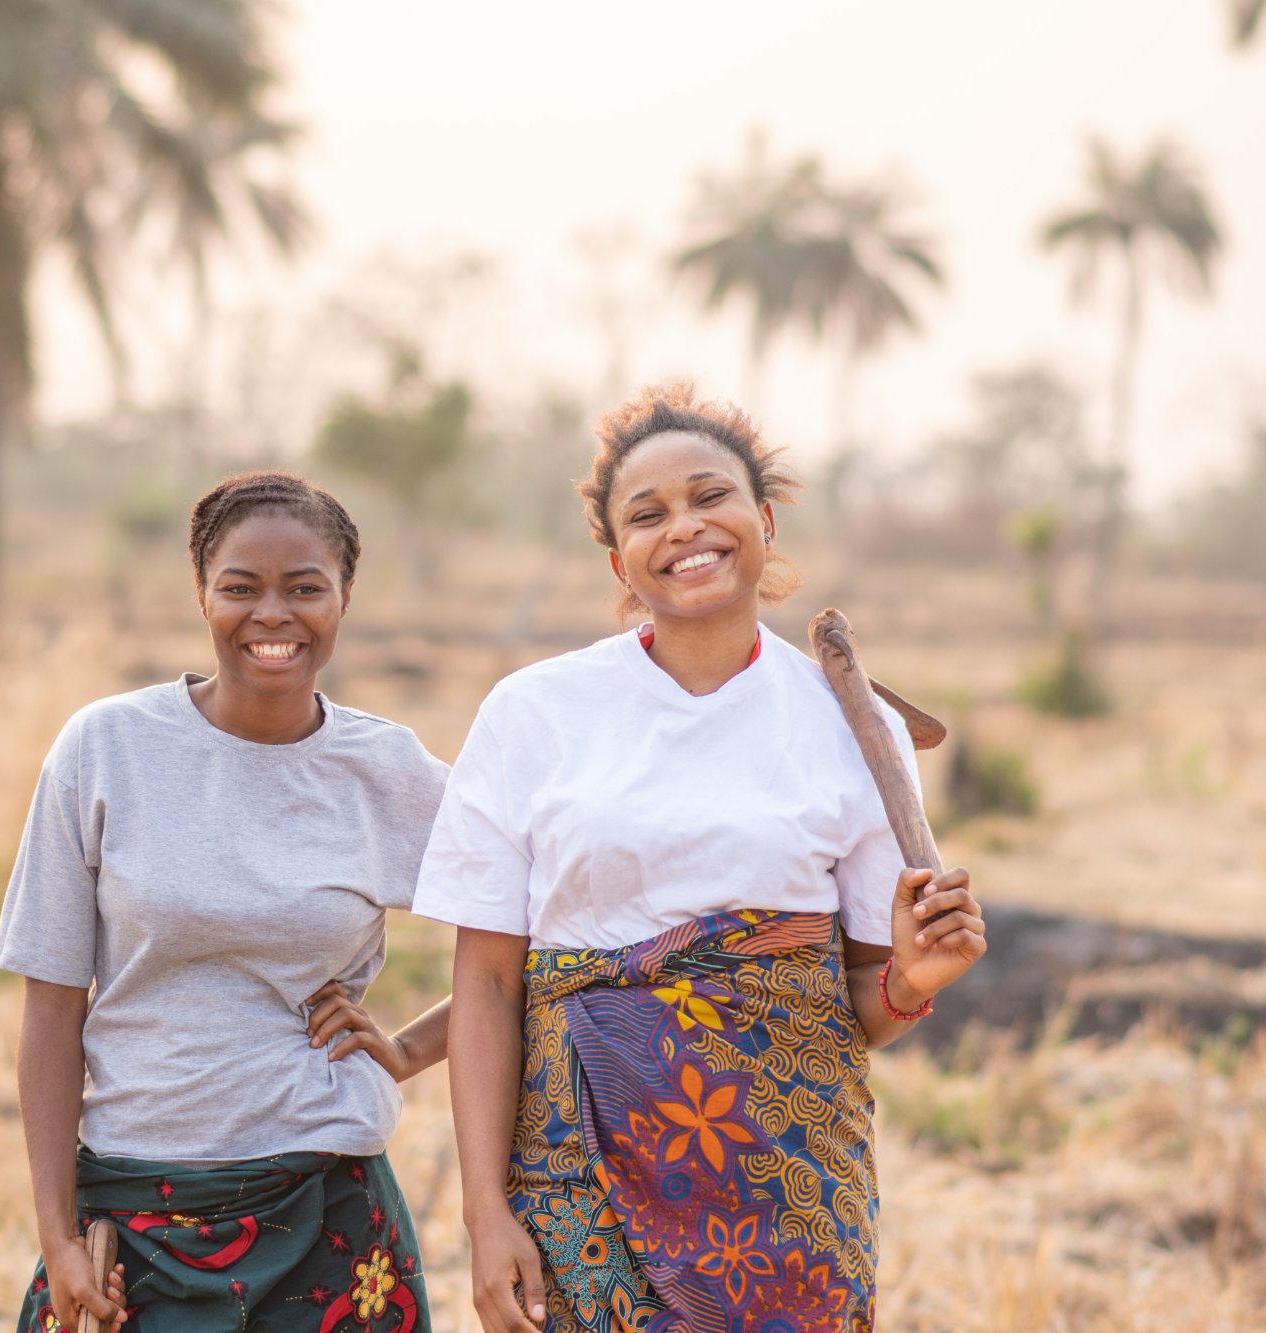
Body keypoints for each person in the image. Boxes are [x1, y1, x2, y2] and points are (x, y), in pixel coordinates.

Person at [414, 384, 987, 1333]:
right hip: (575, 1163)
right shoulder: (535, 712)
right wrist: (484, 1213)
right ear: (619, 558)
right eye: (649, 514)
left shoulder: (855, 724)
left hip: (790, 1182)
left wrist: (914, 982)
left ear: (762, 519)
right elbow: (484, 987)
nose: (686, 528)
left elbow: (855, 1009)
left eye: (709, 496)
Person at [0, 470, 454, 1333]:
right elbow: (52, 1007)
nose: (272, 614)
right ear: (201, 594)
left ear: (344, 597)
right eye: (241, 587)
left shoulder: (385, 770)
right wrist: (56, 1238)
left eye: (305, 587)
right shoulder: (108, 748)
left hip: (330, 1209)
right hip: (133, 1213)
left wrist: (408, 1048)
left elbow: (542, 928)